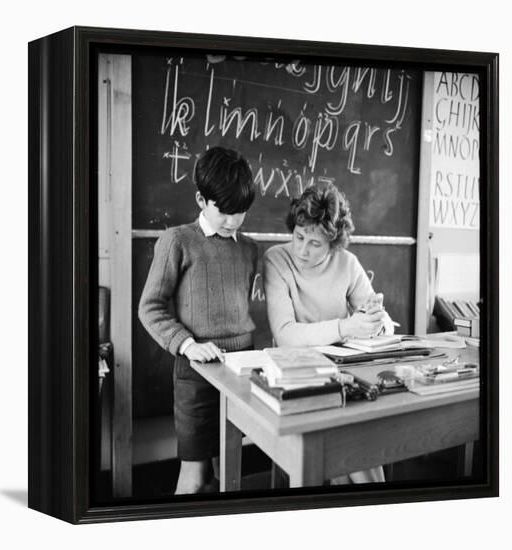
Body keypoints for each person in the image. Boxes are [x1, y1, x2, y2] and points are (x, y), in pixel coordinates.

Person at [138, 146, 258, 494]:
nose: (233, 221)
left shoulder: (249, 248)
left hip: (240, 369)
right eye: (225, 211)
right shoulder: (177, 241)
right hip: (196, 373)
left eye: (242, 212)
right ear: (201, 199)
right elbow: (150, 307)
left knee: (230, 469)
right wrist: (188, 345)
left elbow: (241, 306)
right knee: (196, 474)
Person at [263, 183, 393, 484]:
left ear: (334, 244)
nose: (302, 250)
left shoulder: (347, 263)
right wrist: (346, 327)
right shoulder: (276, 259)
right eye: (298, 236)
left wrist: (377, 320)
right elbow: (284, 334)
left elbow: (383, 320)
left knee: (354, 447)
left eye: (315, 244)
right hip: (297, 377)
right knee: (346, 451)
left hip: (343, 373)